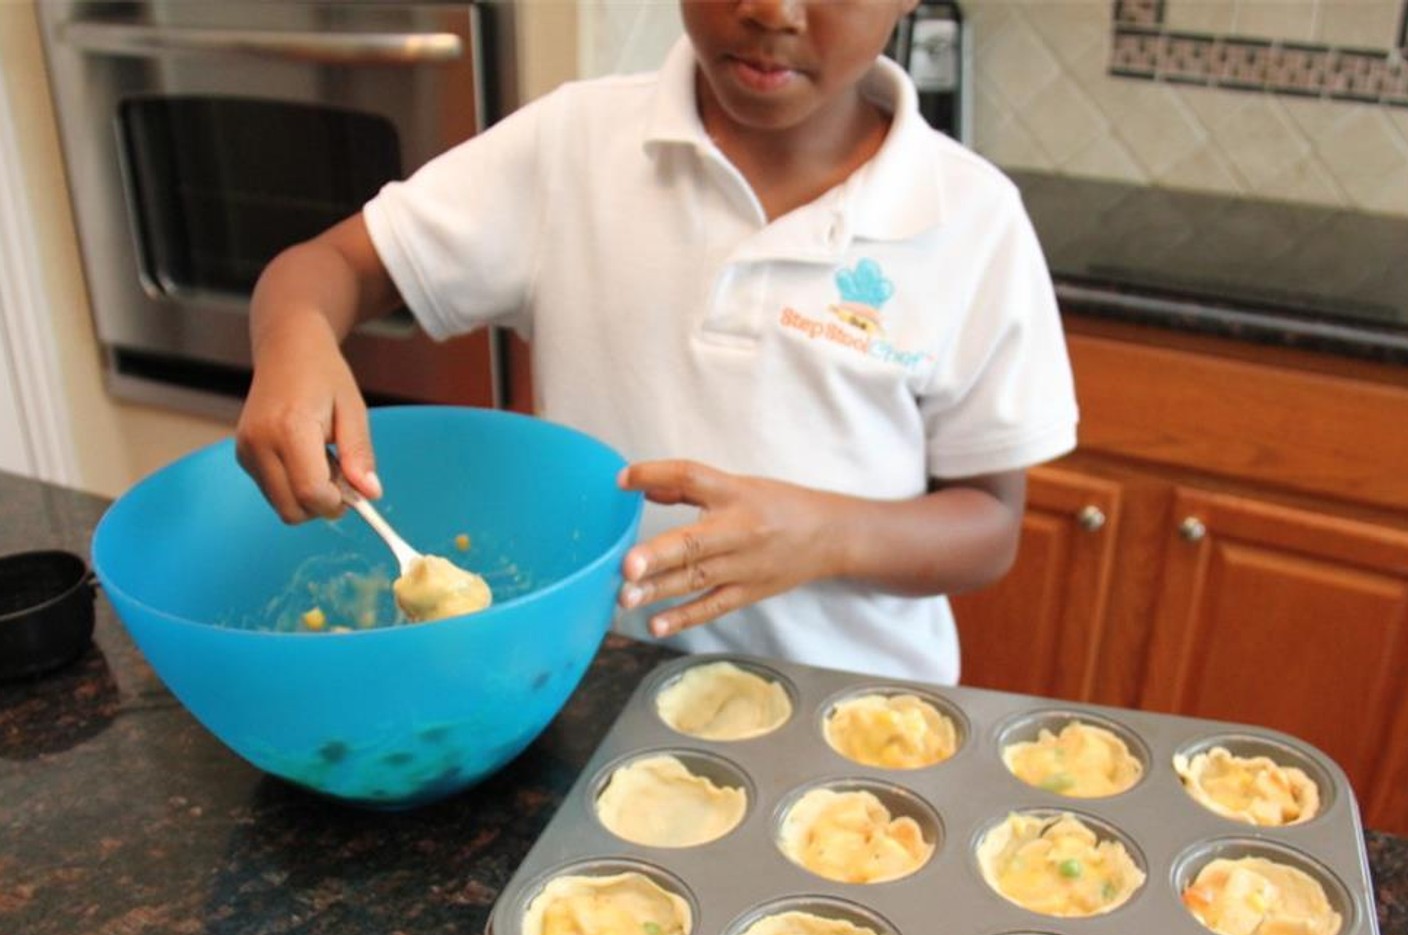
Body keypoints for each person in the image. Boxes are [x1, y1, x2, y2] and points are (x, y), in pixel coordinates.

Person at [235, 0, 1078, 685]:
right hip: (603, 687)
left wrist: (825, 534)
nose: (772, 11)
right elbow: (327, 267)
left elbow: (990, 524)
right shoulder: (574, 146)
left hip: (853, 717)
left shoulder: (970, 220)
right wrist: (296, 337)